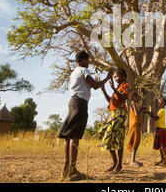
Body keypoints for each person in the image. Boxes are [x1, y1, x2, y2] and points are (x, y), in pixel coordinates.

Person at [58, 50, 113, 181]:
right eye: (88, 60)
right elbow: (94, 86)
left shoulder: (74, 72)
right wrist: (108, 76)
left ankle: (66, 170)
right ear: (83, 60)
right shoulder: (84, 70)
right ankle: (72, 171)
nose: (89, 62)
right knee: (75, 135)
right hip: (80, 103)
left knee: (68, 136)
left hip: (72, 102)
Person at [99, 68, 130, 174]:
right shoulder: (118, 87)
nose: (116, 78)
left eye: (117, 76)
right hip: (113, 113)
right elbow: (110, 101)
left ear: (123, 76)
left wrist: (113, 89)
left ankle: (119, 164)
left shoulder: (126, 86)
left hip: (120, 113)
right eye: (114, 77)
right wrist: (103, 89)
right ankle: (115, 162)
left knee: (118, 138)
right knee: (108, 138)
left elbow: (123, 99)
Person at [147, 98, 166, 167]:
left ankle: (164, 161)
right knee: (161, 146)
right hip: (159, 129)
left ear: (163, 103)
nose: (158, 104)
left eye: (159, 102)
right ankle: (162, 160)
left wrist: (149, 112)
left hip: (161, 130)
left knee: (163, 147)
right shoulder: (160, 110)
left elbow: (156, 118)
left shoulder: (162, 111)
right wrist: (149, 112)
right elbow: (155, 117)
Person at [126, 91, 148, 167]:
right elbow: (136, 114)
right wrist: (141, 109)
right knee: (135, 142)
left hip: (136, 125)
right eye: (138, 97)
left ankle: (133, 160)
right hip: (135, 125)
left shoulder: (134, 105)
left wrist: (142, 109)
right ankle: (132, 161)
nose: (139, 98)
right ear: (134, 98)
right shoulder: (133, 104)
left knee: (136, 142)